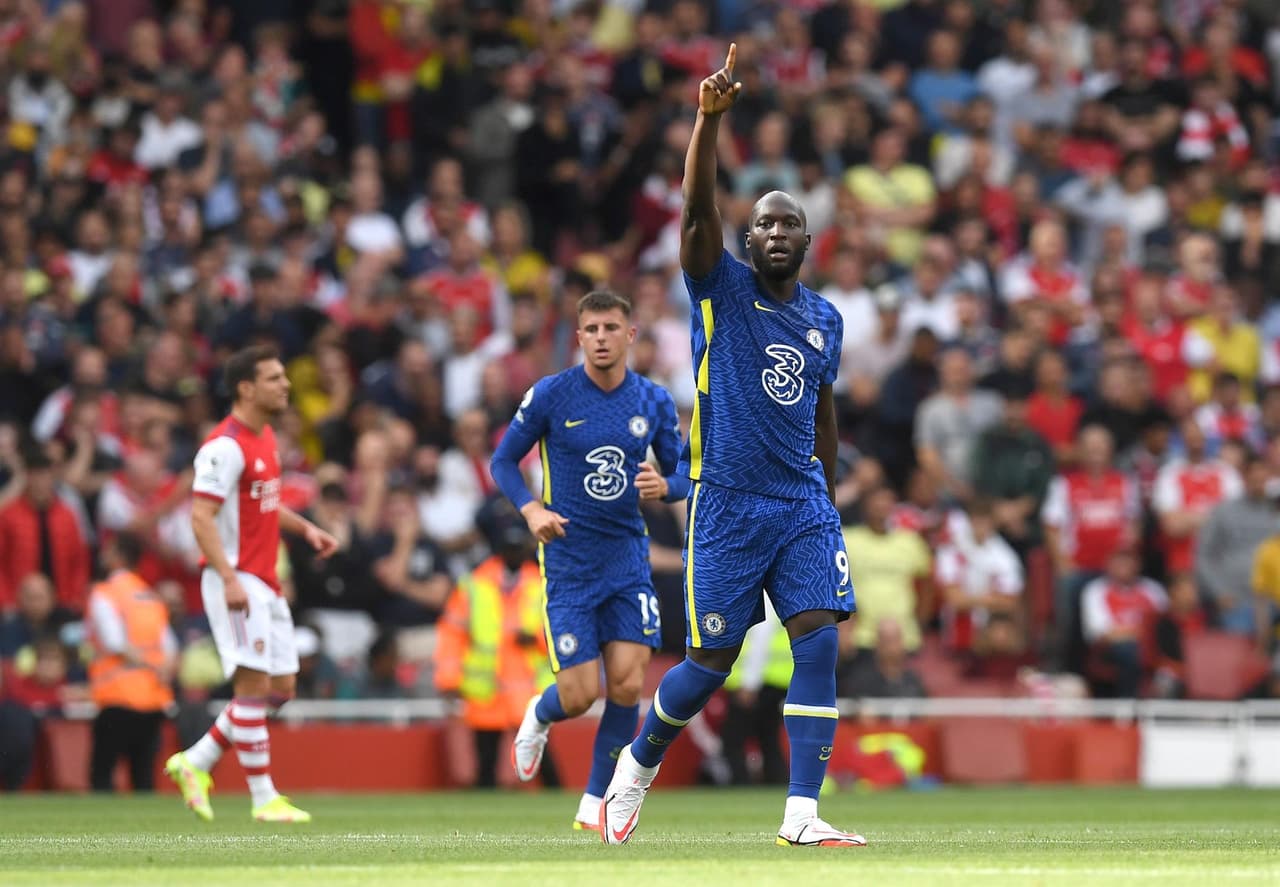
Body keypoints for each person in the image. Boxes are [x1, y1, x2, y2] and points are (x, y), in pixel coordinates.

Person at [601, 45, 863, 848]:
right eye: (764, 223)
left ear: (807, 241)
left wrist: (826, 490)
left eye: (789, 223)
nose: (776, 231)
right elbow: (693, 213)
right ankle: (637, 763)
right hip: (725, 504)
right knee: (709, 663)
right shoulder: (722, 287)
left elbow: (823, 409)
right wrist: (707, 121)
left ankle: (801, 813)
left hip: (801, 503)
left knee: (818, 635)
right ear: (746, 240)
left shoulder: (825, 319)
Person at [490, 289, 687, 830]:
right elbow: (503, 460)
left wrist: (664, 485)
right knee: (579, 696)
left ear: (630, 335)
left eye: (610, 328)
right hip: (569, 563)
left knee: (626, 685)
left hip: (627, 560)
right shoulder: (551, 395)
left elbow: (683, 475)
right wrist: (531, 509)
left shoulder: (653, 401)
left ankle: (594, 802)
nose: (601, 338)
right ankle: (540, 713)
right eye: (592, 330)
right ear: (578, 338)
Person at [164, 345, 338, 823]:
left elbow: (262, 502)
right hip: (236, 578)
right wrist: (227, 577)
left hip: (264, 579)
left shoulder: (265, 439)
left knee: (280, 687)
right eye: (274, 378)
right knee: (253, 687)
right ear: (246, 388)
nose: (286, 385)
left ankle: (195, 761)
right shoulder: (224, 447)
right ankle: (264, 798)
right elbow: (201, 517)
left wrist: (305, 528)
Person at [433, 498, 558, 789]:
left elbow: (559, 630)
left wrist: (535, 639)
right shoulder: (475, 584)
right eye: (509, 548)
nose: (514, 554)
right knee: (486, 761)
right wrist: (449, 679)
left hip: (527, 688)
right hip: (486, 688)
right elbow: (452, 633)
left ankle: (557, 796)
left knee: (543, 759)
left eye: (518, 547)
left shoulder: (541, 582)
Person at [87, 532, 177, 792]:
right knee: (144, 778)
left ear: (118, 556)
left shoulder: (105, 593)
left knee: (103, 776)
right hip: (153, 698)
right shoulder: (150, 596)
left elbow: (114, 642)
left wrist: (146, 665)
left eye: (109, 550)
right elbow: (170, 647)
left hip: (116, 696)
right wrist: (159, 669)